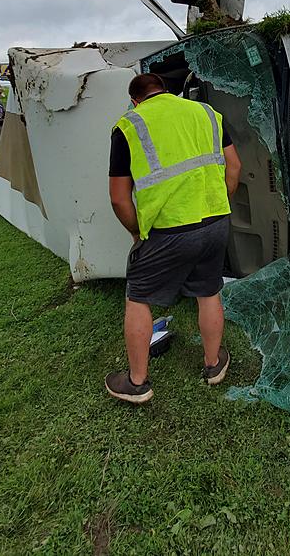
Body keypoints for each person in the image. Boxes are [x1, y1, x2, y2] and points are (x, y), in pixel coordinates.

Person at [105, 73, 241, 404]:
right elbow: (234, 167)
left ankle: (137, 383)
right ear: (167, 91)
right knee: (209, 291)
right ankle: (213, 365)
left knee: (138, 298)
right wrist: (218, 206)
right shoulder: (208, 113)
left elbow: (119, 198)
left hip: (168, 231)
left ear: (135, 100)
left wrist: (137, 232)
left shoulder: (129, 126)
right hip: (214, 222)